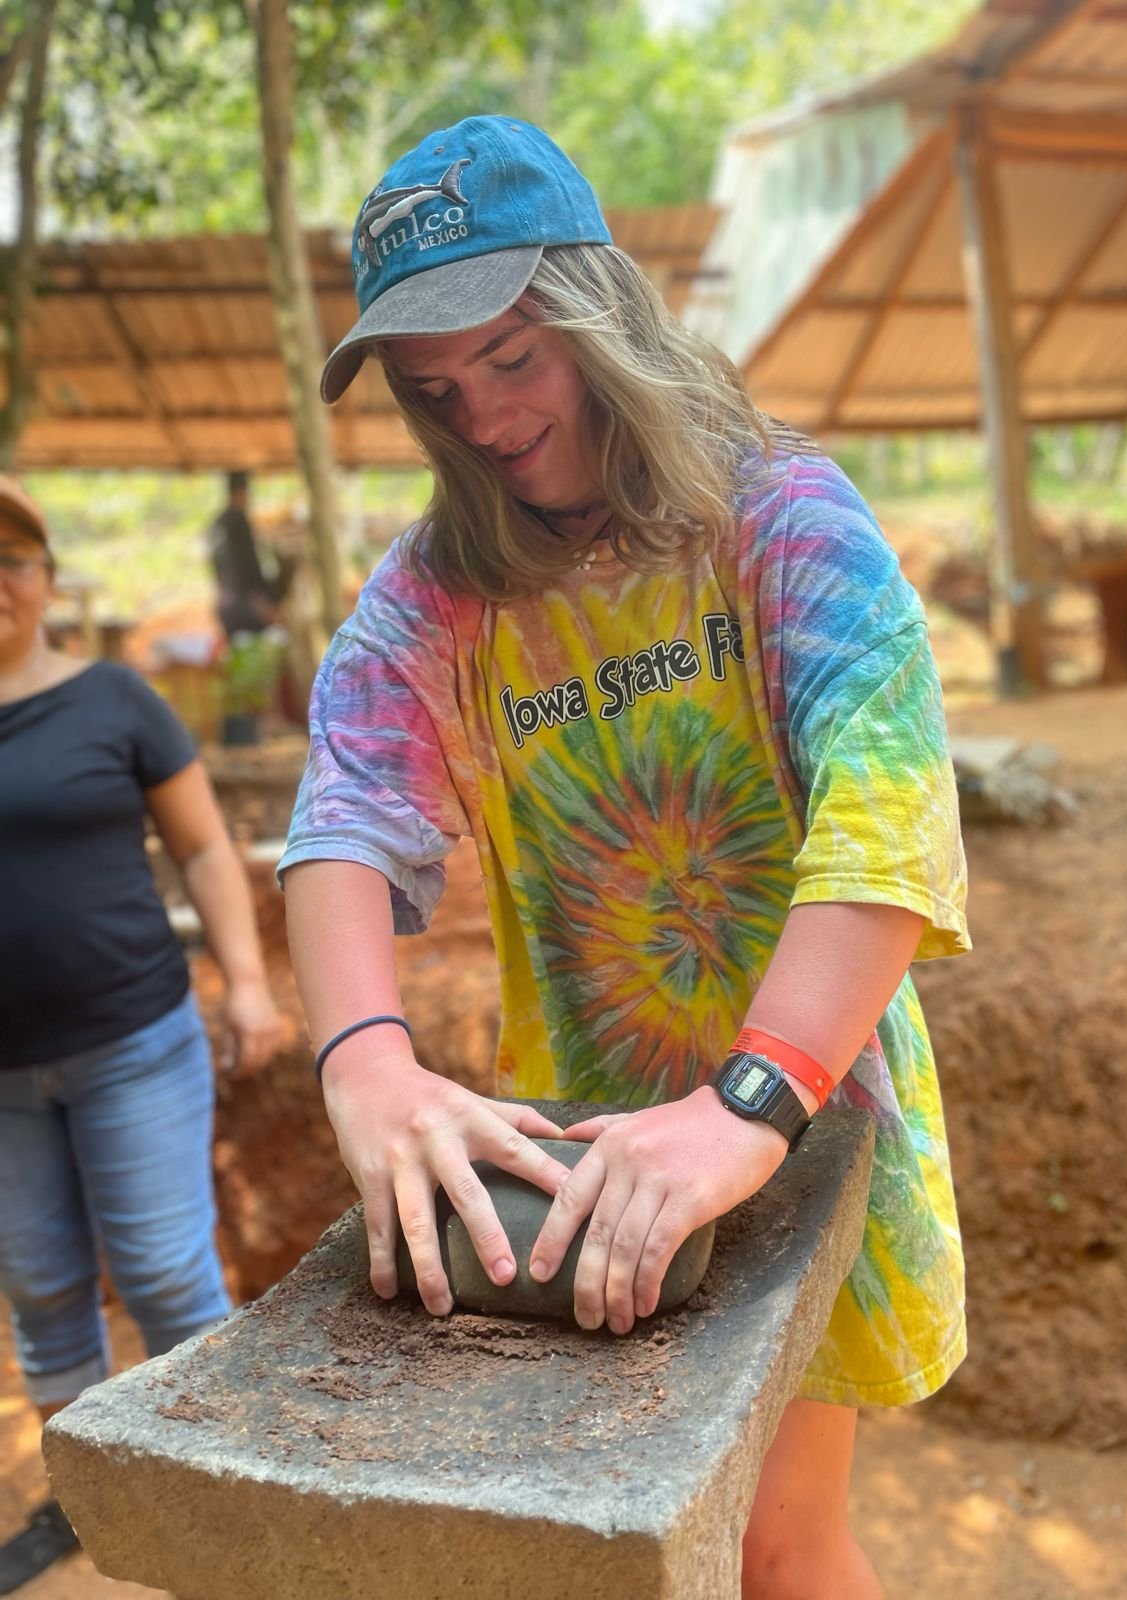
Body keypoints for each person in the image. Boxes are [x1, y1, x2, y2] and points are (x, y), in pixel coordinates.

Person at [279, 116, 969, 1600]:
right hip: (586, 1156)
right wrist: (367, 1067)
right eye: (434, 388)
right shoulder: (444, 595)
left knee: (775, 1549)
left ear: (605, 311)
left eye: (514, 358)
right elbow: (343, 809)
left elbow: (889, 811)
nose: (484, 417)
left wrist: (749, 1104)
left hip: (799, 1112)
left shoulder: (775, 521)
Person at [0, 477, 281, 1593]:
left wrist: (248, 982)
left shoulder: (117, 699)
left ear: (47, 579)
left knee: (166, 1271)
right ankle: (84, 1496)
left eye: (11, 561)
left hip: (134, 1038)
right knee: (40, 1281)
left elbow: (209, 852)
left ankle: (222, 1492)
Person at [208, 470, 286, 639]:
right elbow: (250, 564)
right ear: (243, 492)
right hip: (245, 606)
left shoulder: (217, 523)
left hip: (224, 604)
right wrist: (269, 597)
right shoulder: (239, 522)